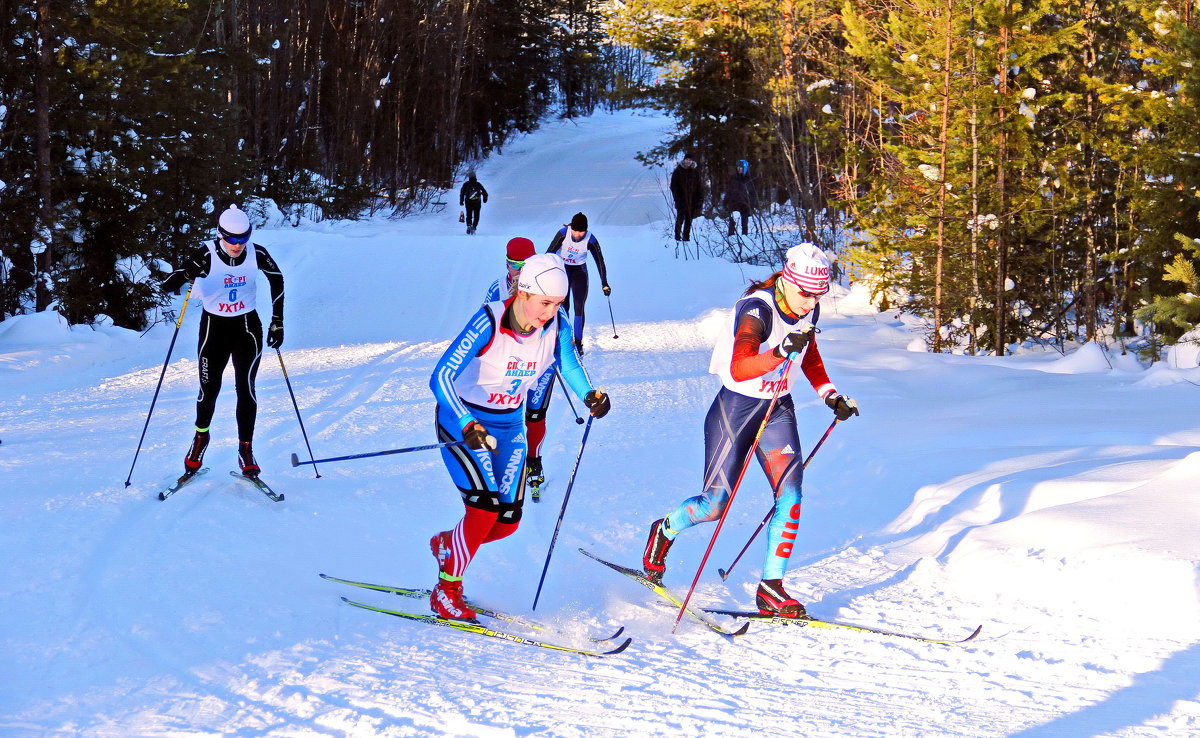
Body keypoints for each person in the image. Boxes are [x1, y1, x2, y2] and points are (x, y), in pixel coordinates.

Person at [640, 243, 859, 618]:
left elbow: (809, 354)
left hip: (777, 409)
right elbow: (740, 367)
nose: (810, 302)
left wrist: (829, 394)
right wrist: (779, 352)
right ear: (788, 281)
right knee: (714, 507)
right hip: (737, 407)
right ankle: (664, 531)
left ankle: (771, 589)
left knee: (791, 495)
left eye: (818, 295)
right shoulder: (757, 309)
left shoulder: (809, 306)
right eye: (806, 293)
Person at [428, 253, 612, 620]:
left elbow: (568, 362)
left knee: (507, 521)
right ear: (523, 293)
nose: (550, 312)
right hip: (464, 420)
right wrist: (466, 422)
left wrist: (588, 394)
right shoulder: (489, 321)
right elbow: (440, 377)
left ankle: (450, 545)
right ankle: (446, 592)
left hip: (511, 427)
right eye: (545, 303)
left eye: (559, 304)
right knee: (482, 508)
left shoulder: (554, 325)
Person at [160, 205, 285, 479]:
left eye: (243, 238)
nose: (238, 245)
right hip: (213, 330)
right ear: (220, 234)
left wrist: (278, 321)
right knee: (209, 390)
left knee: (247, 390)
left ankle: (246, 449)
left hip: (246, 329)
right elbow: (167, 286)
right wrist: (186, 272)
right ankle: (200, 439)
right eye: (232, 238)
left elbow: (277, 279)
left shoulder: (257, 252)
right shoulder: (205, 253)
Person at [482, 237, 556, 495]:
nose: (520, 271)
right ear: (506, 264)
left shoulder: (546, 288)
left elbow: (559, 326)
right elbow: (483, 326)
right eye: (515, 265)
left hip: (540, 366)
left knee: (534, 415)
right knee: (504, 415)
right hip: (508, 366)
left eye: (526, 265)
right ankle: (500, 460)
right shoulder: (496, 289)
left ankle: (534, 462)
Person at [547, 212, 610, 354]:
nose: (578, 235)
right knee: (563, 307)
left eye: (581, 232)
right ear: (571, 228)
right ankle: (562, 340)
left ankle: (579, 343)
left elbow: (600, 261)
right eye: (575, 231)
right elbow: (549, 253)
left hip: (579, 273)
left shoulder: (590, 239)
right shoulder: (563, 233)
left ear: (586, 231)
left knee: (579, 307)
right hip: (562, 271)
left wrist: (604, 283)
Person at [669, 152, 705, 242]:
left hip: (692, 200)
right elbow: (673, 186)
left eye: (690, 160)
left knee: (689, 220)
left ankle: (686, 238)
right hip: (681, 200)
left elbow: (699, 186)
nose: (688, 161)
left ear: (692, 161)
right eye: (687, 159)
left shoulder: (695, 171)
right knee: (680, 219)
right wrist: (677, 198)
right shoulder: (678, 171)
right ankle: (677, 237)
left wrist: (699, 199)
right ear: (684, 160)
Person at [723, 159, 757, 237]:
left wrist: (751, 206)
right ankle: (731, 240)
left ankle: (745, 240)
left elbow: (753, 194)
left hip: (745, 206)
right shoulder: (733, 178)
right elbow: (728, 192)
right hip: (734, 205)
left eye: (741, 167)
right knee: (732, 226)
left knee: (744, 225)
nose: (739, 169)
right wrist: (725, 202)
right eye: (738, 167)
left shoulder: (750, 179)